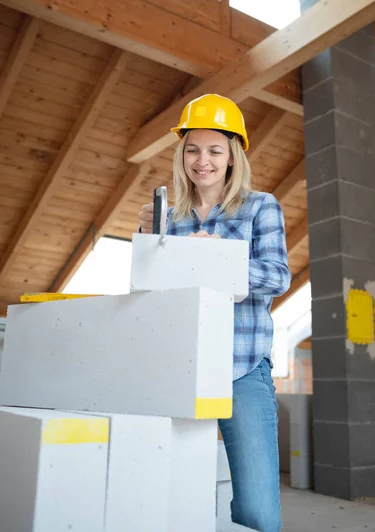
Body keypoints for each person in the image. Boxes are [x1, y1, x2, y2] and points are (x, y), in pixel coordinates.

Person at [138, 93, 291, 532]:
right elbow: (151, 291)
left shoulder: (260, 206)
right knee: (177, 495)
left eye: (214, 150)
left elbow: (278, 278)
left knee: (258, 511)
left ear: (232, 156)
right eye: (192, 149)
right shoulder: (169, 217)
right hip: (180, 369)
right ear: (181, 153)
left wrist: (222, 257)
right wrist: (147, 240)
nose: (201, 160)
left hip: (242, 370)